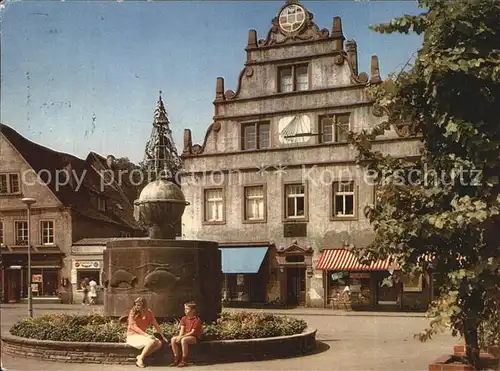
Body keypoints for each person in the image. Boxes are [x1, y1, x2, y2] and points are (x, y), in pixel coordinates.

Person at [126, 297, 168, 368]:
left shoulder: (149, 312)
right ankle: (140, 360)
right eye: (135, 305)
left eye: (138, 305)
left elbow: (156, 325)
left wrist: (163, 336)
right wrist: (146, 335)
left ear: (143, 306)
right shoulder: (132, 312)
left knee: (159, 343)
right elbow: (134, 327)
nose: (136, 307)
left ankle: (141, 356)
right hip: (132, 336)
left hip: (142, 336)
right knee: (152, 341)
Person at [170, 302, 203, 367]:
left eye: (187, 309)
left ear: (193, 310)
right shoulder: (184, 318)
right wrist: (179, 336)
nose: (185, 310)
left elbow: (192, 332)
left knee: (184, 340)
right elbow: (182, 330)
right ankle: (176, 359)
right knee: (173, 339)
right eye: (185, 309)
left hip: (195, 337)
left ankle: (184, 360)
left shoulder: (197, 320)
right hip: (185, 335)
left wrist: (182, 337)